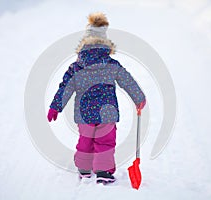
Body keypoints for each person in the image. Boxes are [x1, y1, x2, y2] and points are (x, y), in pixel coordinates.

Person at [47, 12, 146, 184]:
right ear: (105, 45)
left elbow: (66, 87)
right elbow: (127, 81)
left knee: (85, 140)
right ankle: (103, 171)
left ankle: (84, 169)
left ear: (83, 45)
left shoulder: (76, 66)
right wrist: (139, 98)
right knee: (105, 142)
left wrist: (56, 106)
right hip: (107, 112)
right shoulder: (112, 64)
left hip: (84, 113)